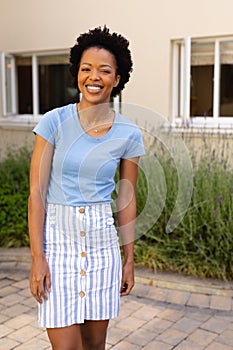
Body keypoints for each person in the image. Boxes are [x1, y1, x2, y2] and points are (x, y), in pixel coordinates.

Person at [28, 26, 145, 350]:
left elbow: (126, 198)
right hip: (58, 247)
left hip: (101, 247)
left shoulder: (129, 134)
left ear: (117, 78)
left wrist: (129, 259)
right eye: (86, 69)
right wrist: (38, 258)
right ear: (76, 74)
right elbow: (36, 193)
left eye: (104, 70)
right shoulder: (53, 123)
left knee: (94, 346)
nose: (94, 77)